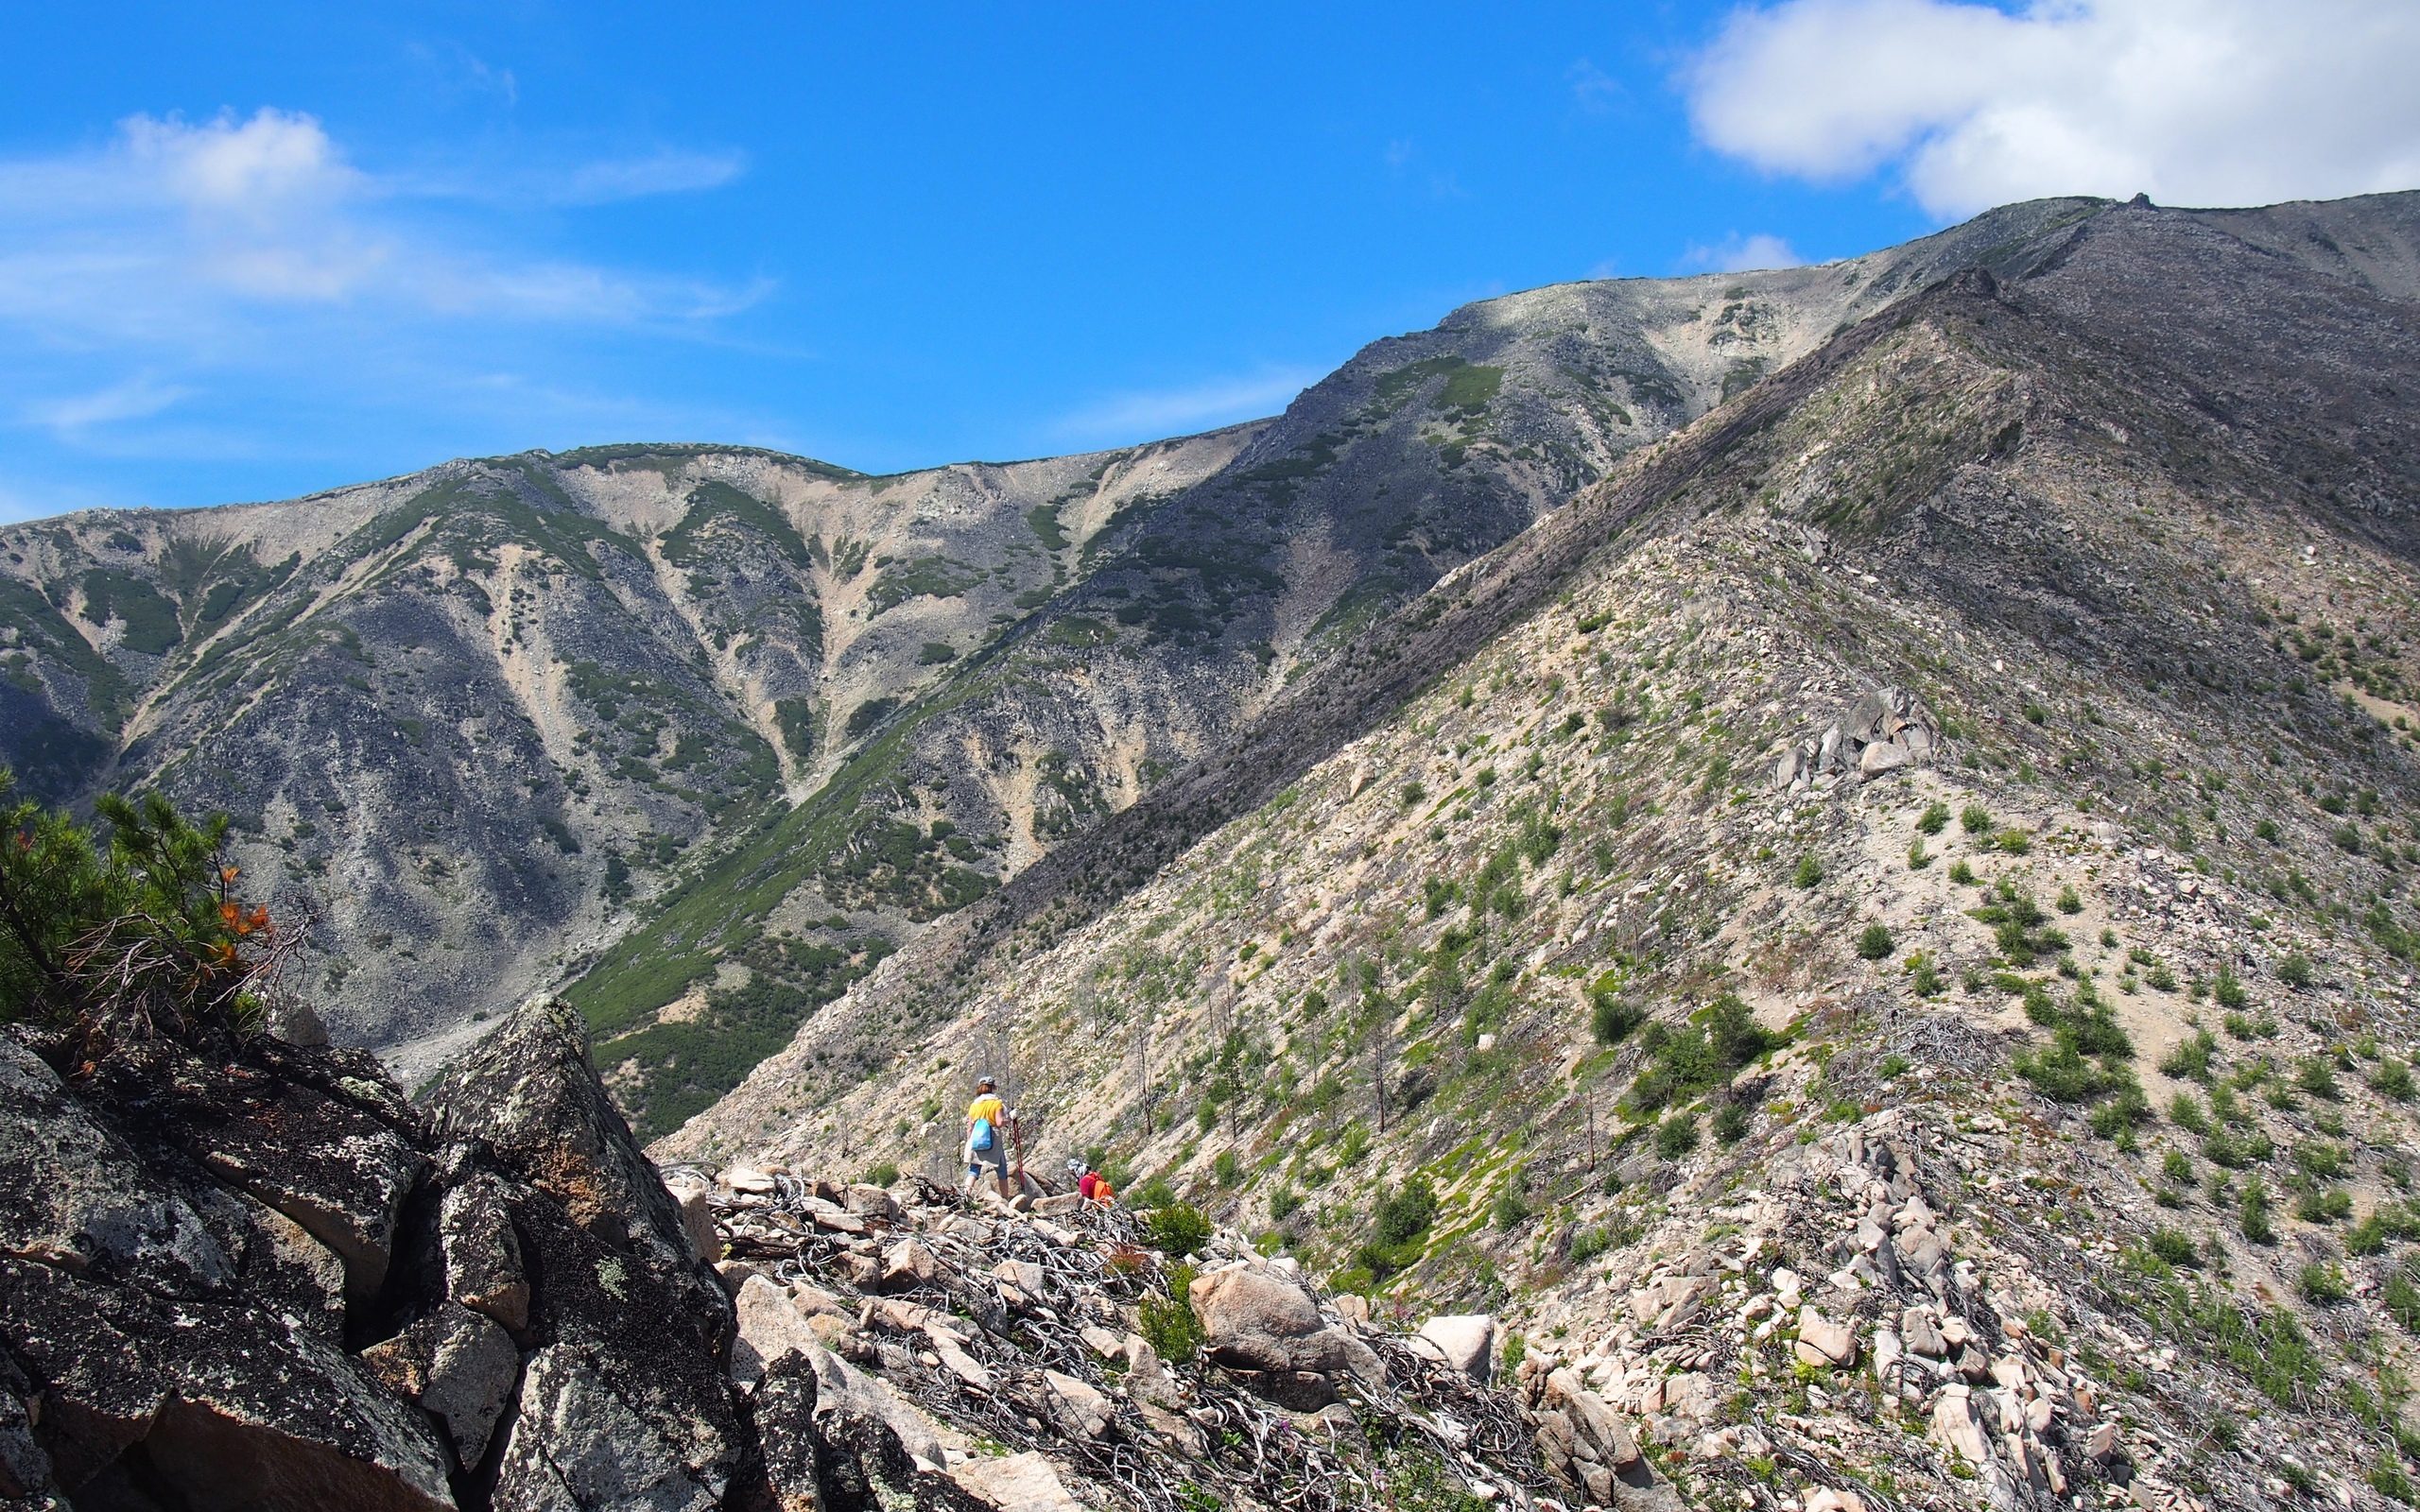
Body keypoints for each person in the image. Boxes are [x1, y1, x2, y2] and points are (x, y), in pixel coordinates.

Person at [962, 1074, 1012, 1199]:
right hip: (993, 1137)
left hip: (976, 1137)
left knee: (974, 1169)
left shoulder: (974, 1105)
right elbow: (1000, 1122)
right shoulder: (996, 1103)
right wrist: (1010, 1118)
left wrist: (970, 1141)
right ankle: (1005, 1199)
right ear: (992, 1088)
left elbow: (970, 1126)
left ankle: (965, 1194)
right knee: (1001, 1170)